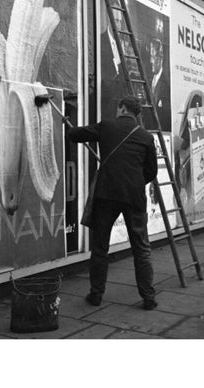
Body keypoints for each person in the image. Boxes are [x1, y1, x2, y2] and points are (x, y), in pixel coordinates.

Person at [68, 96, 159, 310]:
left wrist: (67, 123)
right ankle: (148, 297)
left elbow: (76, 135)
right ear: (136, 113)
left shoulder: (107, 126)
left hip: (107, 194)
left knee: (100, 247)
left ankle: (96, 294)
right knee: (141, 248)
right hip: (134, 196)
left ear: (122, 108)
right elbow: (151, 172)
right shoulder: (146, 137)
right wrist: (134, 181)